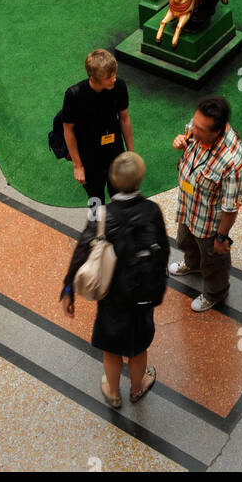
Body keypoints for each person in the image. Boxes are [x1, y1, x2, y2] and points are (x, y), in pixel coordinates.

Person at [61, 152, 167, 409]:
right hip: (143, 296)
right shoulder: (152, 211)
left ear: (113, 180)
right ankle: (137, 387)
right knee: (138, 348)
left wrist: (67, 289)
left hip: (112, 296)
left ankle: (113, 393)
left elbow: (82, 251)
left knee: (112, 348)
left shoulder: (101, 215)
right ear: (140, 179)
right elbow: (163, 251)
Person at [168, 96, 242, 312]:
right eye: (194, 123)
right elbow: (186, 138)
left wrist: (221, 238)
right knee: (184, 241)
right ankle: (193, 265)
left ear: (217, 131)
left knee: (213, 263)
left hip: (210, 224)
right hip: (188, 207)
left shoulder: (232, 161)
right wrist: (179, 142)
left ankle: (215, 293)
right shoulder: (197, 128)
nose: (194, 129)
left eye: (200, 129)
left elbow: (231, 207)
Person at [62, 49, 134, 206]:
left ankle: (117, 229)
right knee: (95, 201)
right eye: (109, 77)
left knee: (121, 198)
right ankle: (96, 229)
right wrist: (78, 166)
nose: (113, 79)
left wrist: (131, 152)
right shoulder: (74, 95)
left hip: (115, 153)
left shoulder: (119, 86)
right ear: (93, 77)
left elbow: (124, 119)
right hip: (89, 159)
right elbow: (68, 130)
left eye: (114, 74)